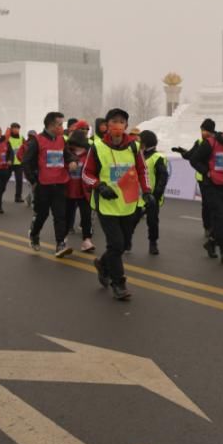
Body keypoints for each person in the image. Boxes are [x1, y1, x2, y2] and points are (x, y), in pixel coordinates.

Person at [83, 108, 152, 301]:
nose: (117, 125)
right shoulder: (97, 147)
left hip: (129, 204)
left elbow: (142, 171)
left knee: (122, 245)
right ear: (106, 125)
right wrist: (100, 186)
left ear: (126, 126)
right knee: (116, 244)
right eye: (114, 121)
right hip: (107, 205)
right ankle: (118, 283)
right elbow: (86, 175)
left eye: (122, 122)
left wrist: (147, 192)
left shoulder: (134, 147)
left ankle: (103, 265)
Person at [186, 122, 223, 264]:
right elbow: (194, 160)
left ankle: (211, 242)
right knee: (220, 215)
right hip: (211, 186)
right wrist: (206, 172)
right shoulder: (209, 144)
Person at [23, 112, 73, 257]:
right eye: (60, 124)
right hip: (43, 185)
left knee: (60, 215)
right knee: (42, 214)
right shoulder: (37, 141)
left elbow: (67, 154)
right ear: (51, 125)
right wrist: (33, 180)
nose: (62, 127)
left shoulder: (62, 139)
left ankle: (60, 244)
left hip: (60, 183)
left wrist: (72, 161)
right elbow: (26, 162)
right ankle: (34, 234)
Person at [172, 119, 218, 255]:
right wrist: (182, 151)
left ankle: (216, 228)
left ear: (211, 131)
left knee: (215, 204)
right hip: (202, 179)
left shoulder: (217, 142)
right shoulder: (198, 143)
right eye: (202, 130)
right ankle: (207, 227)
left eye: (206, 130)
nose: (203, 133)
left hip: (215, 177)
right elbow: (190, 156)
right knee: (206, 204)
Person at [136, 130, 169, 256]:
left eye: (140, 141)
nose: (138, 143)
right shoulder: (138, 155)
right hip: (136, 197)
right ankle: (126, 242)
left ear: (145, 143)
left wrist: (155, 196)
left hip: (152, 197)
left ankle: (153, 243)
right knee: (131, 221)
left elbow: (162, 178)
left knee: (152, 221)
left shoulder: (158, 157)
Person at [64, 129, 95, 253]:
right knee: (66, 217)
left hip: (84, 191)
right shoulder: (66, 153)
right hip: (68, 191)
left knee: (86, 217)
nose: (73, 147)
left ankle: (86, 241)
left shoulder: (89, 154)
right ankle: (63, 240)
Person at [7, 122, 26, 205]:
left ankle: (18, 197)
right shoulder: (7, 138)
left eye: (17, 128)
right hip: (9, 163)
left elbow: (26, 148)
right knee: (4, 181)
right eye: (14, 128)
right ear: (11, 129)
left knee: (19, 181)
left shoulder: (22, 138)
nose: (16, 129)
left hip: (19, 163)